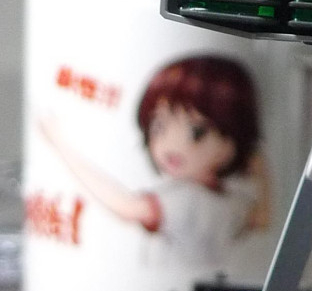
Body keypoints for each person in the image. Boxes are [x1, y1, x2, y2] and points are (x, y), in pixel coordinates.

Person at [38, 55, 269, 268]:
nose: (172, 145)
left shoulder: (186, 199)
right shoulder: (233, 202)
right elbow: (262, 218)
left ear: (232, 140)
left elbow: (127, 207)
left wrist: (61, 146)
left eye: (197, 132)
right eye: (159, 127)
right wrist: (260, 170)